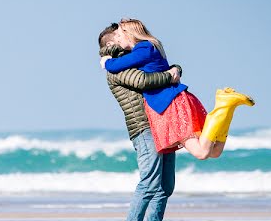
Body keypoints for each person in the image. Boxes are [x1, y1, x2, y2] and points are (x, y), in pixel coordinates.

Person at [100, 19, 254, 159]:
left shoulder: (143, 48)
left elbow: (117, 65)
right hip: (177, 99)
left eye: (119, 34)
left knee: (201, 153)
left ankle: (223, 107)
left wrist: (106, 61)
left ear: (129, 34)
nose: (118, 38)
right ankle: (227, 109)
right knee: (214, 152)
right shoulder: (151, 46)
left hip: (170, 105)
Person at [97, 23, 181, 221]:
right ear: (112, 44)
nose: (125, 36)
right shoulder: (116, 69)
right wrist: (171, 75)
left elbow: (156, 68)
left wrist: (175, 68)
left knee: (166, 185)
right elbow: (144, 81)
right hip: (143, 128)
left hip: (160, 124)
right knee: (150, 181)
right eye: (120, 34)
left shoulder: (135, 57)